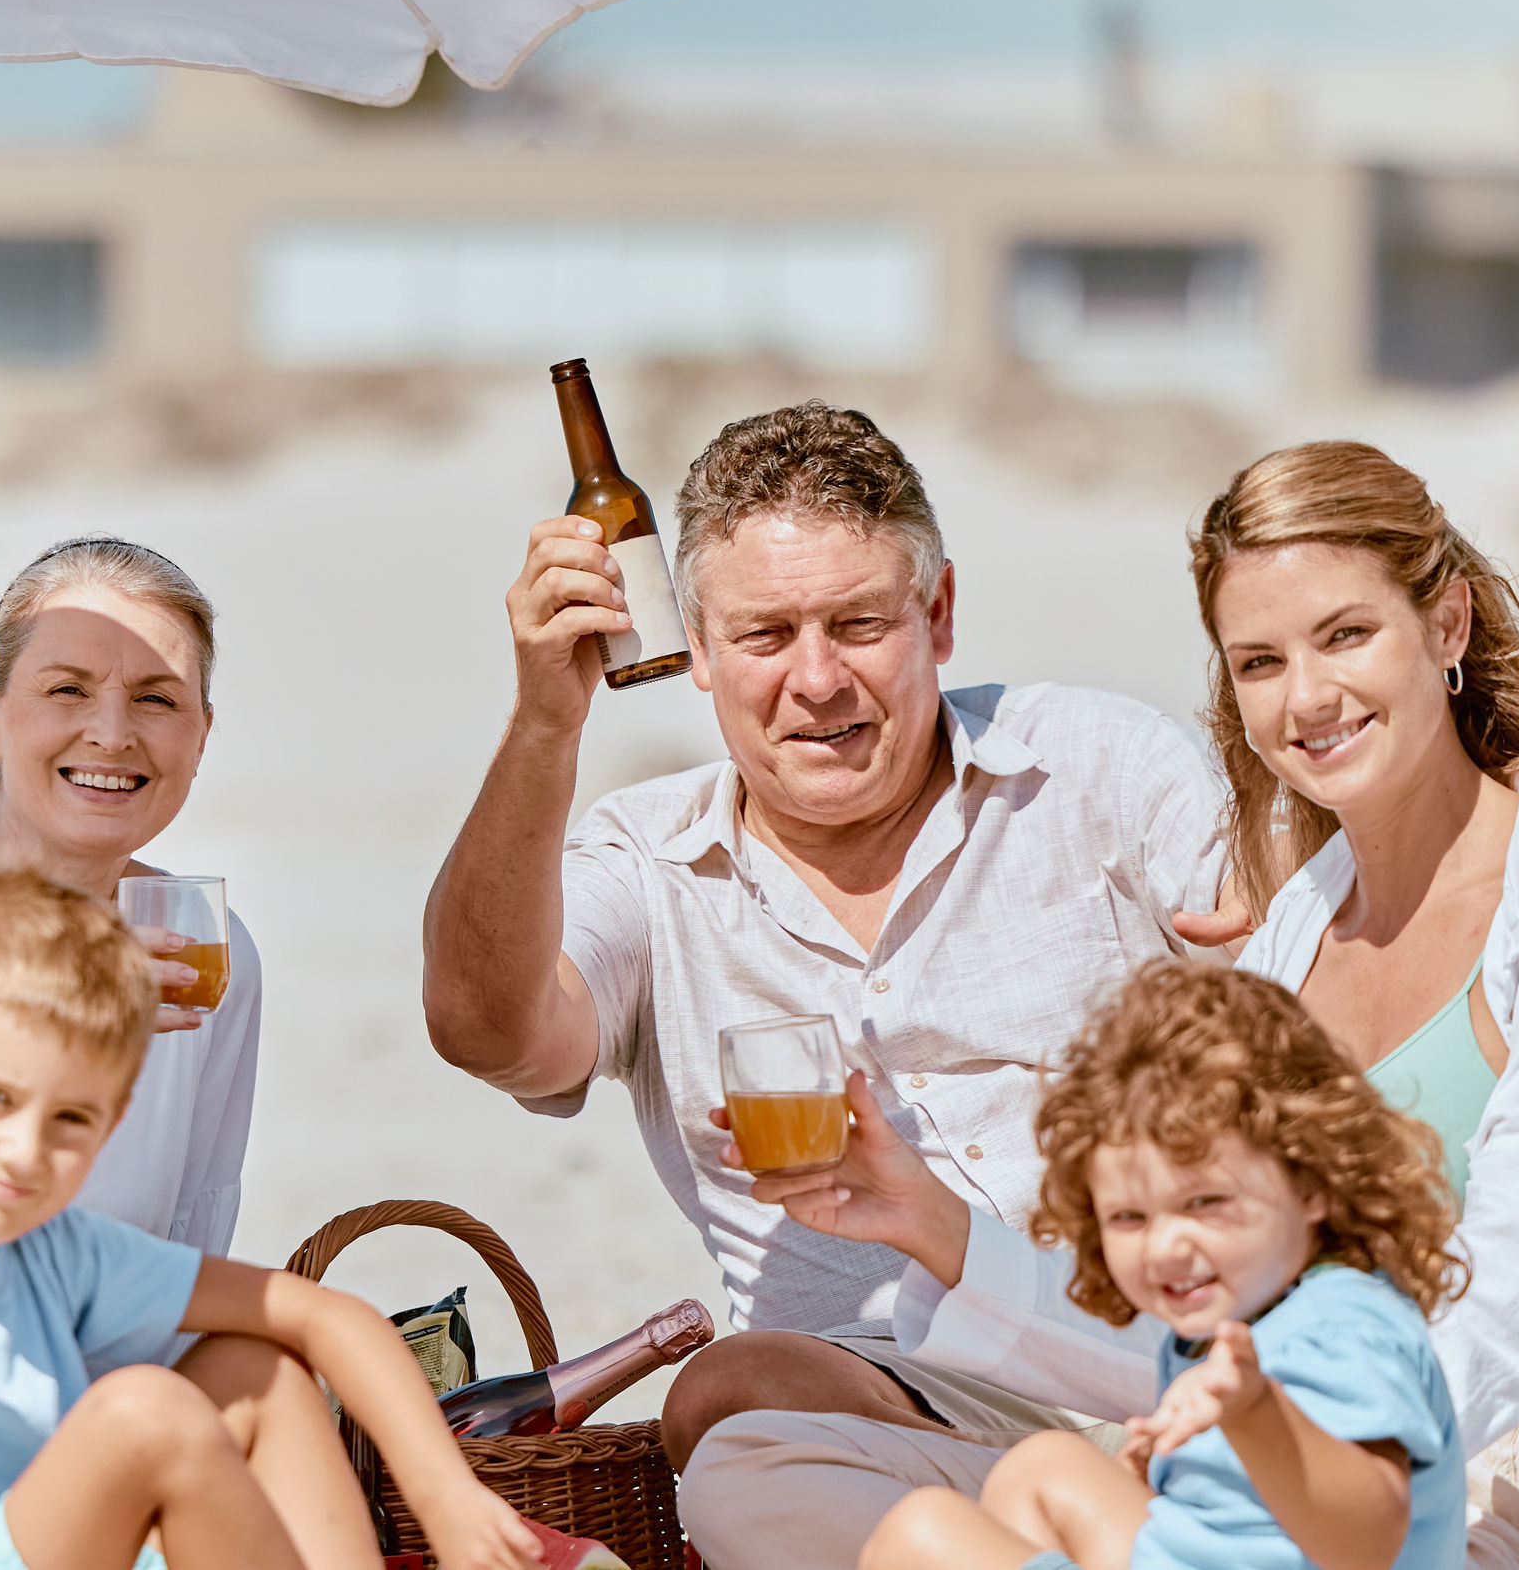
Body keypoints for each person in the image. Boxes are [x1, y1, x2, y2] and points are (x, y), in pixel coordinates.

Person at [764, 442, 1519, 1570]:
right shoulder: (1297, 933)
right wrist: (928, 1222)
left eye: (1346, 635)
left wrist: (1275, 1444)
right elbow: (1204, 1284)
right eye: (1259, 661)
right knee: (891, 1497)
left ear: (1447, 626)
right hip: (1314, 1448)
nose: (1306, 697)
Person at [417, 400, 1233, 1559]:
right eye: (764, 635)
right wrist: (546, 722)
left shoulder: (1102, 766)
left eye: (859, 623)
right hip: (901, 1415)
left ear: (938, 613)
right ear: (692, 646)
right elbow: (488, 1029)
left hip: (1170, 1355)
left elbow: (1303, 977)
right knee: (732, 1402)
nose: (816, 679)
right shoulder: (648, 860)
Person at [0, 870, 538, 1570]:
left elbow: (321, 1313)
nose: (23, 1151)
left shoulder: (53, 1254)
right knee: (144, 1413)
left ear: (107, 1128)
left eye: (69, 1122)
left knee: (254, 1365)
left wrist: (448, 1500)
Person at [860, 960, 1466, 1570]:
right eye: (1130, 1218)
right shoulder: (1234, 1318)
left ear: (1312, 1185)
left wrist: (1257, 1414)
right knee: (1042, 1469)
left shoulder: (1339, 1324)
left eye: (1204, 1203)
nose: (1166, 1247)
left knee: (923, 1534)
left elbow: (1370, 1542)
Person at [0, 536, 259, 1257]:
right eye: (68, 690)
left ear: (201, 735)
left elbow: (189, 1241)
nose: (113, 735)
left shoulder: (207, 949)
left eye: (156, 699)